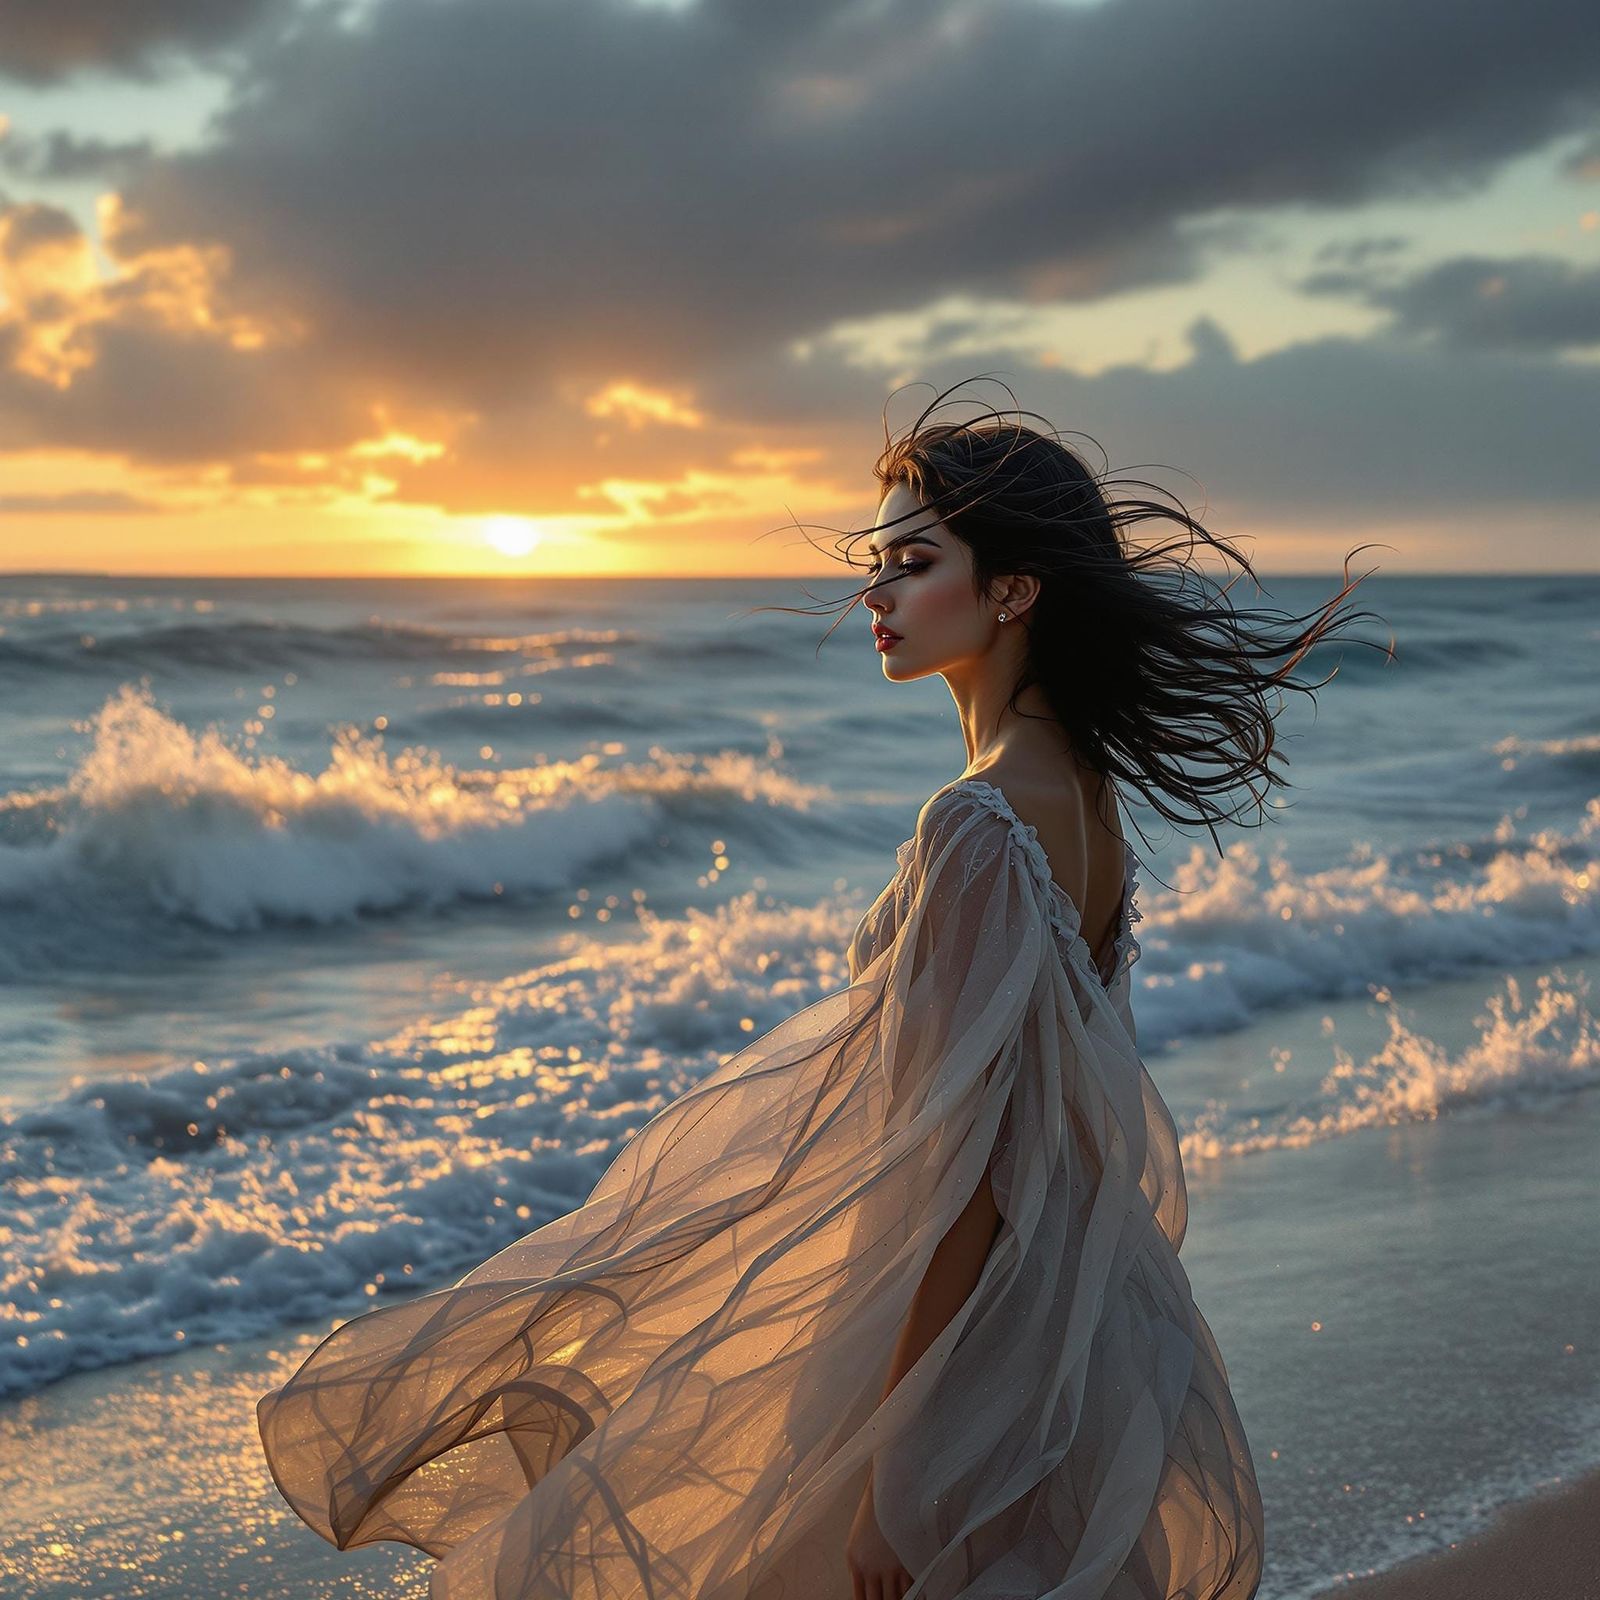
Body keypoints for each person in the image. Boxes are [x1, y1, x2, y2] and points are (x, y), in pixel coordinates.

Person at [257, 382, 1383, 1599]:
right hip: (1070, 1318)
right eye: (874, 562)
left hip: (962, 1338)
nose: (876, 593)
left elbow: (959, 1161)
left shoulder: (979, 819)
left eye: (912, 562)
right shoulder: (1085, 795)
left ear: (1011, 590)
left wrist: (893, 1458)